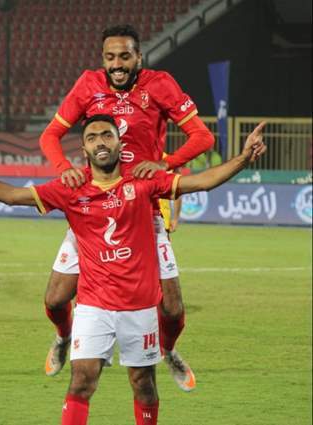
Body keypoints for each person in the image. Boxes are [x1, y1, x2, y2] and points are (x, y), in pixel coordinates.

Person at [0, 115, 266, 425]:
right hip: (93, 306)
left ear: (120, 142)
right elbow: (13, 196)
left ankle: (168, 353)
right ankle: (63, 337)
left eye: (107, 135)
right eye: (92, 137)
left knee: (144, 384)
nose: (100, 142)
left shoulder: (143, 181)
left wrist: (243, 159)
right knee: (81, 381)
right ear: (84, 149)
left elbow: (201, 182)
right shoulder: (72, 187)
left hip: (139, 307)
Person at [38, 24, 215, 390]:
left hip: (143, 210)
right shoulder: (88, 84)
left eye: (124, 56)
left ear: (138, 57)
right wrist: (64, 168)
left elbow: (202, 136)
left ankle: (168, 349)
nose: (117, 64)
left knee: (172, 307)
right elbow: (50, 135)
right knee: (55, 299)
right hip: (93, 208)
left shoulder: (160, 84)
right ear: (103, 59)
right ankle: (63, 336)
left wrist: (165, 163)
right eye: (110, 57)